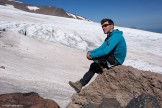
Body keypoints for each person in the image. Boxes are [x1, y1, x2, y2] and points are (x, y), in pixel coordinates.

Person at [69, 18, 127, 93]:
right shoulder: (109, 37)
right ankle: (80, 84)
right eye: (102, 26)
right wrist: (90, 52)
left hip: (116, 61)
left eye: (105, 25)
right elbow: (101, 48)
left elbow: (106, 51)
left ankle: (81, 84)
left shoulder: (116, 36)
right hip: (111, 58)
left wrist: (92, 55)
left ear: (112, 26)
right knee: (94, 65)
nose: (103, 28)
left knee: (95, 62)